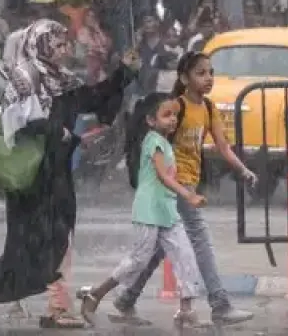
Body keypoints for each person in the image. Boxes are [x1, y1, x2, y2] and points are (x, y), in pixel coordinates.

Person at [0, 19, 139, 330]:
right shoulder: (24, 77)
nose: (63, 49)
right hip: (31, 176)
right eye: (56, 44)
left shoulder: (64, 80)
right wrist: (65, 134)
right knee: (29, 244)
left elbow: (95, 100)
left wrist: (124, 72)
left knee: (59, 238)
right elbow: (23, 123)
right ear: (39, 45)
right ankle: (9, 294)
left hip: (57, 173)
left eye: (64, 43)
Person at [108, 51, 258, 326]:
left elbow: (223, 147)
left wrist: (243, 169)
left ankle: (126, 298)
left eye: (210, 72)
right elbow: (154, 135)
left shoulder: (209, 108)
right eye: (201, 73)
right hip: (174, 186)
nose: (208, 78)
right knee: (199, 238)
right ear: (184, 78)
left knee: (161, 247)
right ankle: (220, 304)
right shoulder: (176, 106)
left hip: (186, 183)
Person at [77, 93, 207, 328]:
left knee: (185, 255)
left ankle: (186, 309)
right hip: (149, 210)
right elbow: (163, 176)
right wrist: (188, 194)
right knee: (138, 260)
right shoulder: (153, 141)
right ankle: (96, 293)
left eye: (175, 115)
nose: (172, 120)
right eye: (166, 115)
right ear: (150, 120)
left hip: (166, 210)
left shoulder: (165, 142)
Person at [76, 8, 113, 85]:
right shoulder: (84, 30)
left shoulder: (102, 30)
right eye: (88, 15)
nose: (91, 17)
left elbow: (107, 42)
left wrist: (98, 28)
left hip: (105, 58)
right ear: (85, 18)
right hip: (92, 57)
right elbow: (87, 42)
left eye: (93, 15)